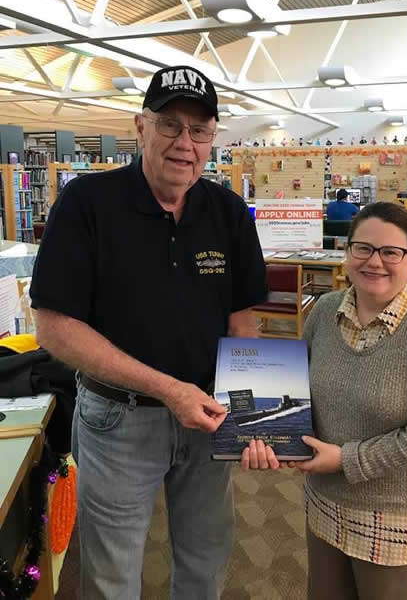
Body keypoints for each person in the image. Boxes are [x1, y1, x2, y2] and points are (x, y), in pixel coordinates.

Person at [30, 65, 268, 600]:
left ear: (213, 139)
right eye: (170, 125)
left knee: (206, 562)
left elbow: (241, 320)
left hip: (209, 417)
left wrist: (251, 415)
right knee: (112, 576)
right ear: (140, 128)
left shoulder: (227, 212)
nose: (185, 144)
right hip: (118, 421)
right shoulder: (86, 204)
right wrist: (169, 390)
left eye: (200, 130)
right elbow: (54, 327)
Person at [242, 202, 407, 600]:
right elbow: (296, 394)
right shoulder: (324, 312)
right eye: (363, 248)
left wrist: (346, 460)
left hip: (398, 519)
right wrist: (262, 436)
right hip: (326, 504)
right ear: (347, 253)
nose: (374, 262)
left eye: (390, 252)